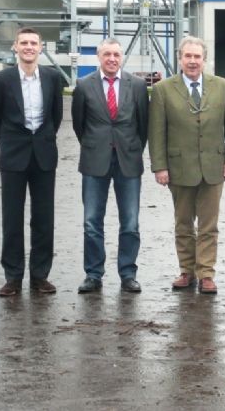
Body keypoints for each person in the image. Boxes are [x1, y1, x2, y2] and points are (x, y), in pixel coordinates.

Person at [148, 36, 225, 295]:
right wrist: (159, 166)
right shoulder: (163, 89)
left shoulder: (222, 86)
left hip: (213, 166)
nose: (192, 61)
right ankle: (187, 271)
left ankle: (206, 274)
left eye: (197, 56)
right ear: (180, 59)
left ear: (204, 59)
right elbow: (156, 132)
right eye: (187, 56)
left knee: (209, 225)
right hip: (179, 168)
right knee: (183, 224)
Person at [0, 27, 63, 296]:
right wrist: (10, 141)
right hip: (13, 157)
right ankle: (13, 277)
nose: (29, 47)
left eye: (33, 43)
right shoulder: (1, 80)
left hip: (44, 156)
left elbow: (55, 117)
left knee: (44, 219)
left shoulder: (53, 78)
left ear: (41, 48)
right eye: (24, 43)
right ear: (15, 47)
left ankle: (40, 276)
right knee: (12, 219)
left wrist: (42, 140)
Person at [71, 38, 149, 294]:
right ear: (99, 57)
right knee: (92, 221)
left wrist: (130, 148)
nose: (112, 59)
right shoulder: (84, 85)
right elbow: (79, 124)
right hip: (95, 160)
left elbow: (143, 125)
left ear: (122, 57)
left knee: (130, 222)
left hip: (128, 161)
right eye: (107, 54)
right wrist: (96, 145)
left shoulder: (138, 85)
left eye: (116, 54)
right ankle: (93, 274)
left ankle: (128, 274)